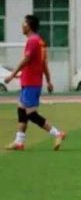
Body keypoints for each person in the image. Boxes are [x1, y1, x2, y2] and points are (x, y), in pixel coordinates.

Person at [4, 15, 66, 151]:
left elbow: (26, 60)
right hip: (30, 81)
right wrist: (48, 81)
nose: (22, 26)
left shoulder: (32, 41)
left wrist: (12, 74)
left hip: (31, 83)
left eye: (24, 23)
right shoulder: (39, 41)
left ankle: (57, 133)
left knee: (31, 114)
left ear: (28, 26)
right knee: (21, 109)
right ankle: (19, 142)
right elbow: (42, 64)